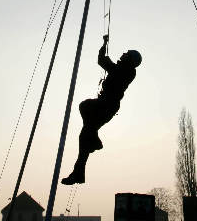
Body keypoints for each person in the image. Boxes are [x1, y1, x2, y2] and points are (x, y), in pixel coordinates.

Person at [61, 35, 142, 185]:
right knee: (85, 136)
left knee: (84, 109)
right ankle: (79, 171)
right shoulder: (123, 69)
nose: (123, 54)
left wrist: (104, 44)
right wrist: (104, 45)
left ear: (130, 60)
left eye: (126, 54)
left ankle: (92, 143)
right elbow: (103, 61)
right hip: (105, 105)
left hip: (107, 105)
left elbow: (103, 61)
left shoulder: (126, 71)